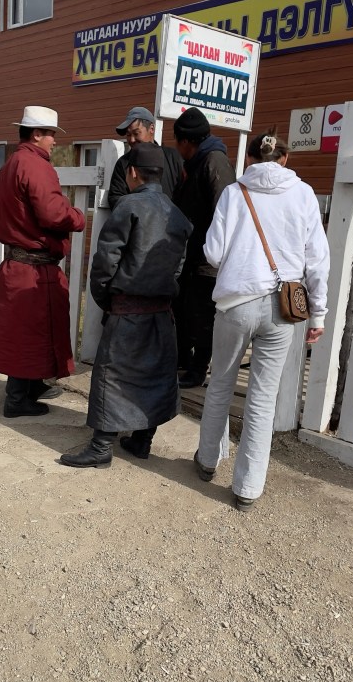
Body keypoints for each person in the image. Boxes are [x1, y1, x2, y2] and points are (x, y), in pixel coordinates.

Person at [193, 128, 330, 510]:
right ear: (284, 159)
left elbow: (213, 253)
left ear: (250, 159)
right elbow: (318, 260)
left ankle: (207, 460)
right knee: (262, 398)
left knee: (220, 384)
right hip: (282, 308)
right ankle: (247, 488)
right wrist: (318, 313)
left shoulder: (234, 193)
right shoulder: (303, 194)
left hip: (236, 303)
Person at [60, 142, 191, 468]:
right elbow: (178, 268)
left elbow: (105, 263)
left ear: (132, 172)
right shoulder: (178, 215)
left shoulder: (128, 206)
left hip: (127, 310)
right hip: (162, 311)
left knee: (112, 375)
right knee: (155, 375)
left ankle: (101, 446)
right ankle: (142, 440)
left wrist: (107, 300)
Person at [0, 105, 85, 418]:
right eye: (51, 134)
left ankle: (33, 385)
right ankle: (16, 400)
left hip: (21, 262)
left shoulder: (11, 164)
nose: (55, 140)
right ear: (37, 134)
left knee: (34, 329)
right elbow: (53, 213)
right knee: (27, 332)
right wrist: (78, 217)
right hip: (33, 267)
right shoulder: (35, 165)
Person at [172, 107, 236, 388]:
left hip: (208, 257)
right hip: (194, 253)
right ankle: (185, 362)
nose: (177, 148)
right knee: (187, 309)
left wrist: (216, 253)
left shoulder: (213, 162)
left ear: (186, 141)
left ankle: (199, 369)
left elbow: (225, 211)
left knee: (202, 314)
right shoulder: (198, 162)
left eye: (177, 142)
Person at [108, 106, 183, 210]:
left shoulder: (173, 158)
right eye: (128, 135)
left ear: (151, 129)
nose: (132, 139)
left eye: (136, 133)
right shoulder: (123, 163)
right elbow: (115, 198)